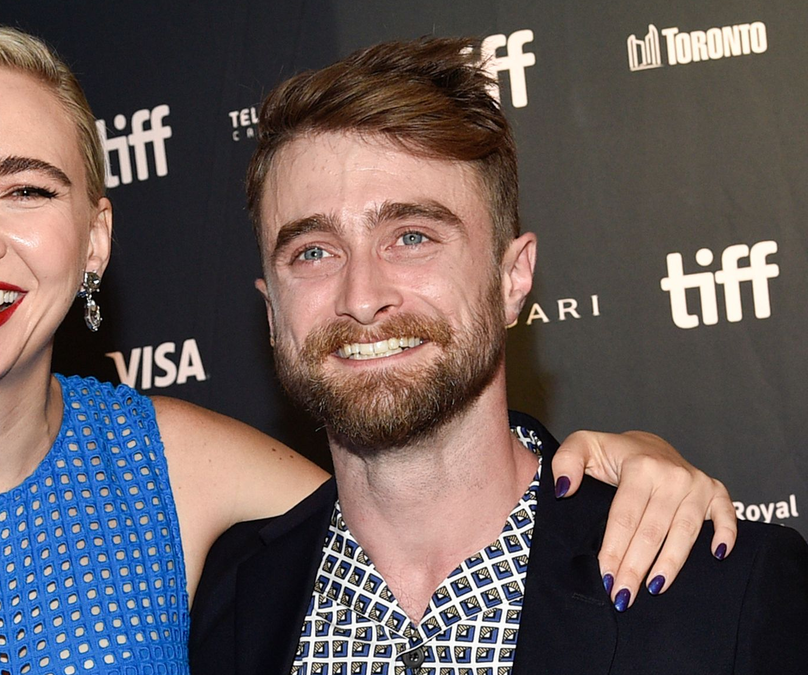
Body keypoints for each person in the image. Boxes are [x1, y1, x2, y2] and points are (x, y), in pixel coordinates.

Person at [0, 26, 738, 675]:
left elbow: (427, 495)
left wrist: (620, 466)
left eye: (26, 189)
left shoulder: (174, 469)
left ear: (95, 240)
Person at [189, 37, 808, 674]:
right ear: (270, 312)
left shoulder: (727, 595)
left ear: (512, 279)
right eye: (313, 252)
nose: (363, 296)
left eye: (411, 237)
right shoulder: (220, 609)